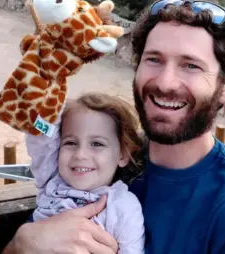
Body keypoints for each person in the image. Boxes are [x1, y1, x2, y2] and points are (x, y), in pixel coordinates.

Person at [3, 0, 225, 253]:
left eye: (191, 65)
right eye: (154, 60)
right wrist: (23, 243)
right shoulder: (100, 157)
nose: (165, 82)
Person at [26, 92, 145, 253]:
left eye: (97, 144)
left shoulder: (124, 207)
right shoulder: (51, 178)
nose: (80, 154)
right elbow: (41, 136)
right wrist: (52, 100)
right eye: (70, 142)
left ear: (122, 154)